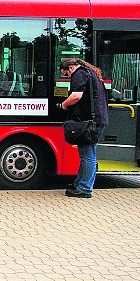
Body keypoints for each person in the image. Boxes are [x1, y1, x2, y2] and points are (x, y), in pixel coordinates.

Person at [59, 58, 109, 199]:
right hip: (96, 120)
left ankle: (84, 188)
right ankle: (79, 184)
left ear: (70, 68)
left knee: (88, 156)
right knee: (87, 154)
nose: (68, 77)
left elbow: (76, 96)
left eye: (66, 74)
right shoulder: (90, 72)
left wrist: (63, 104)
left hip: (90, 122)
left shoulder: (80, 73)